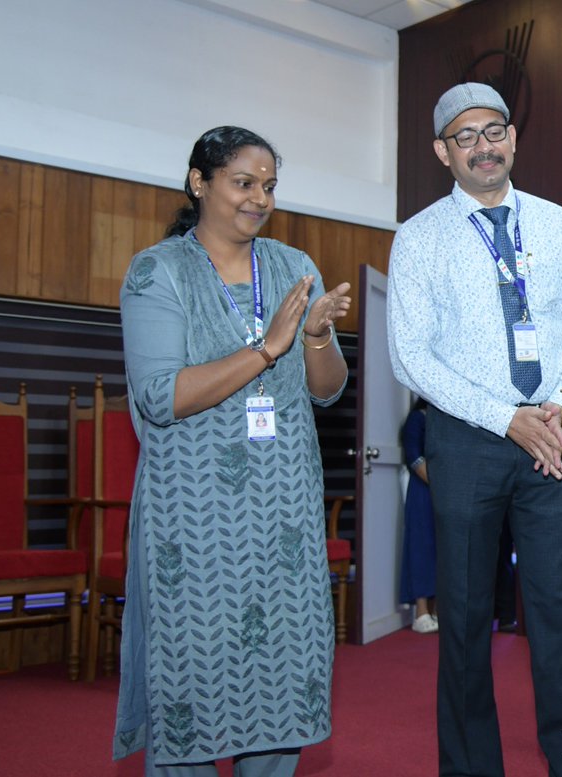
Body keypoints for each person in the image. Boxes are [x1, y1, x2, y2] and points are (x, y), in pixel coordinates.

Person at [115, 126, 351, 776]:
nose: (259, 198)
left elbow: (328, 392)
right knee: (189, 688)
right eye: (243, 182)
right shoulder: (156, 271)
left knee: (281, 688)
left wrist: (316, 337)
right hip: (191, 527)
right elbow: (161, 396)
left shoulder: (295, 268)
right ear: (199, 182)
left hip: (283, 520)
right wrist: (268, 346)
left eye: (269, 185)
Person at [386, 82, 562, 777]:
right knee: (466, 622)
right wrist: (502, 416)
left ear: (513, 137)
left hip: (549, 437)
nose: (483, 146)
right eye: (465, 136)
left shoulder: (555, 221)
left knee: (559, 622)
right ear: (441, 153)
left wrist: (560, 406)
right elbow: (410, 356)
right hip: (466, 439)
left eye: (494, 130)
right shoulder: (418, 237)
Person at [400, 397, 438, 634]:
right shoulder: (417, 419)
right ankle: (421, 612)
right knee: (421, 547)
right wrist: (439, 483)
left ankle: (439, 611)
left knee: (443, 552)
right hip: (423, 492)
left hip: (446, 493)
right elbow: (413, 456)